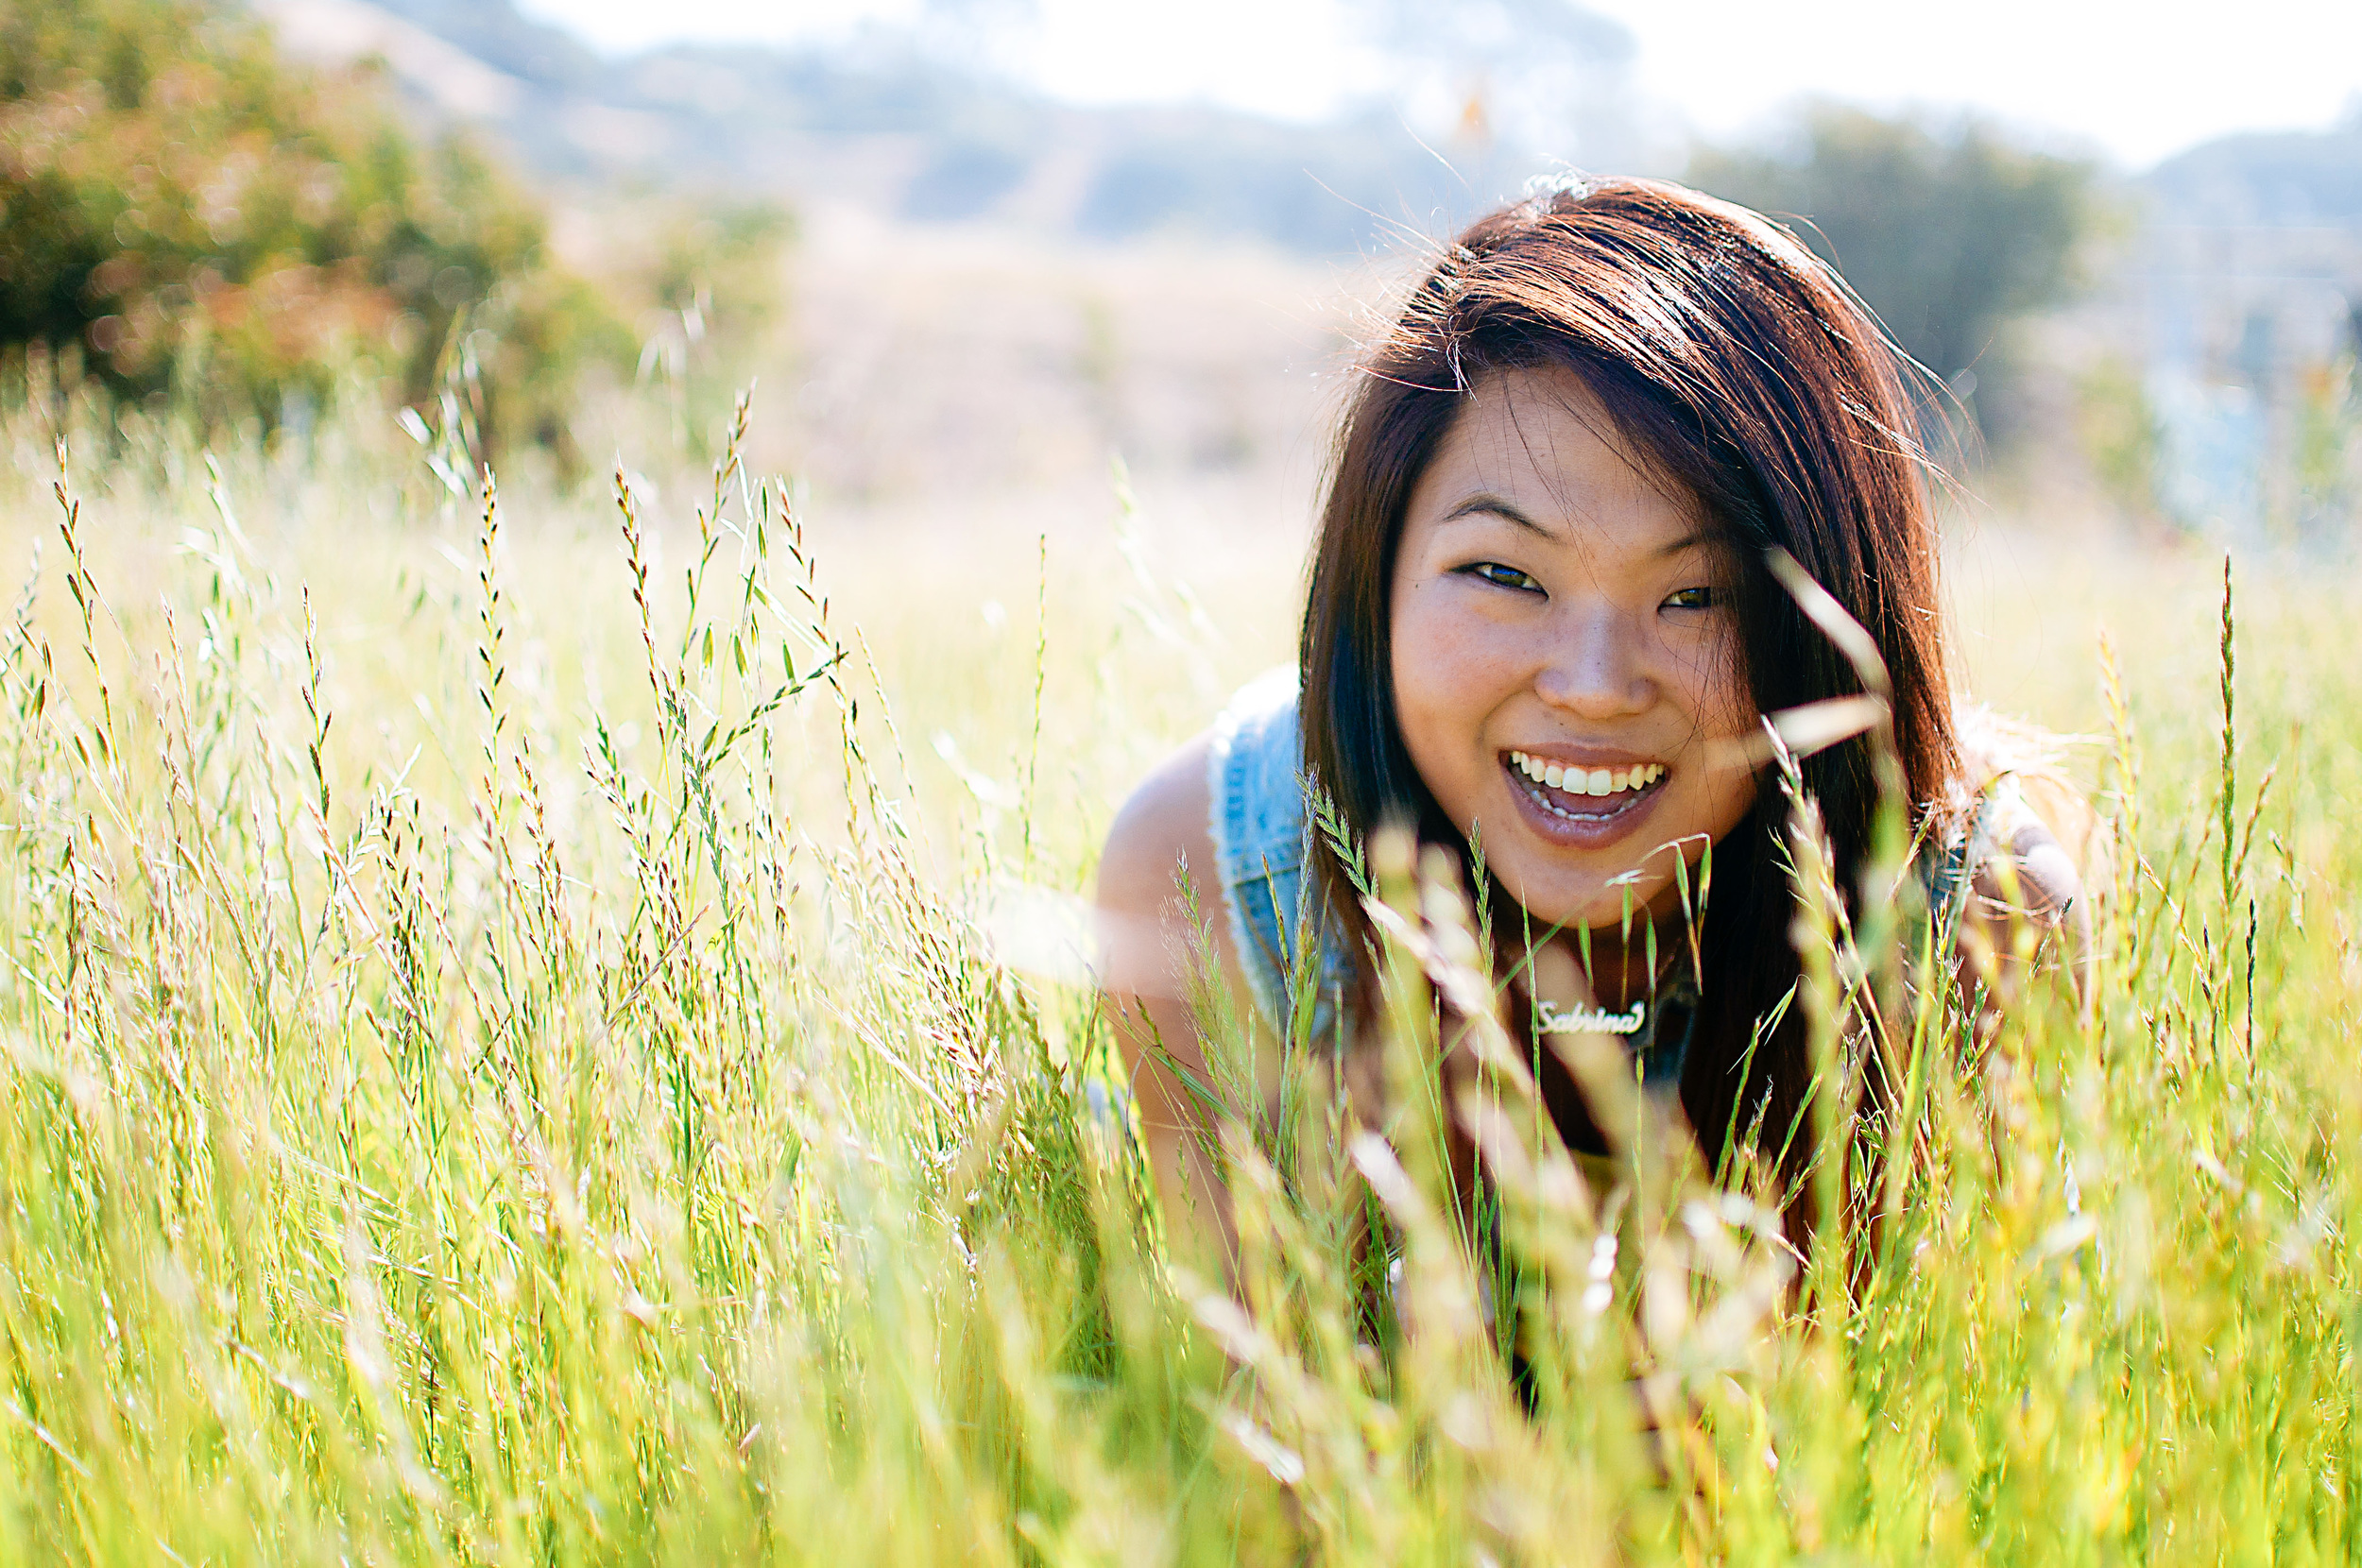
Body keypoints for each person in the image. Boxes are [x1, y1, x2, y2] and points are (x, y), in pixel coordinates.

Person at [1094, 176, 2092, 1275]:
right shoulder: (1215, 879)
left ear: (1828, 624)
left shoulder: (1973, 925)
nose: (1596, 685)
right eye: (1505, 574)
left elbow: (1919, 1421)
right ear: (1373, 581)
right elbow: (1253, 1413)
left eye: (1698, 595)